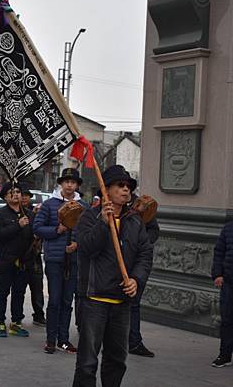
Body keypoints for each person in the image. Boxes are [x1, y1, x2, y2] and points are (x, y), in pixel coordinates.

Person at [72, 165, 153, 387]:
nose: (126, 190)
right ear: (105, 190)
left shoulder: (134, 221)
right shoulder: (89, 217)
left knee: (117, 360)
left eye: (128, 186)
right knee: (87, 362)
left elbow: (145, 254)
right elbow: (87, 249)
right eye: (120, 186)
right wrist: (103, 223)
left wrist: (136, 279)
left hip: (121, 303)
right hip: (94, 300)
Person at [33, 168, 88, 354]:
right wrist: (58, 230)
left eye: (73, 182)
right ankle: (50, 339)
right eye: (66, 182)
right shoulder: (49, 205)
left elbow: (89, 231)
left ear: (77, 185)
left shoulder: (84, 206)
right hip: (55, 259)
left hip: (74, 260)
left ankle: (63, 339)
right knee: (54, 300)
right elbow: (38, 228)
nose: (69, 185)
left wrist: (77, 244)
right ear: (61, 184)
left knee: (67, 301)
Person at [0, 182, 34, 338]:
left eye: (18, 192)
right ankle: (1, 322)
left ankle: (16, 322)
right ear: (4, 196)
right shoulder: (0, 214)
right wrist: (18, 224)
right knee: (3, 291)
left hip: (24, 260)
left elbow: (33, 234)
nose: (16, 194)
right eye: (11, 192)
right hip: (6, 259)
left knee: (19, 292)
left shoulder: (29, 213)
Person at [128, 194, 160, 358]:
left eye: (126, 185)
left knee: (134, 304)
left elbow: (154, 229)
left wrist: (141, 242)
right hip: (118, 263)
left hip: (139, 262)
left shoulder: (142, 205)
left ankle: (134, 341)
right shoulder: (112, 206)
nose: (124, 189)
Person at [21, 187, 46, 326]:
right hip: (20, 256)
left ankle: (39, 314)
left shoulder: (37, 212)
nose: (24, 198)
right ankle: (16, 316)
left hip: (35, 256)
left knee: (37, 287)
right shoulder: (15, 212)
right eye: (22, 195)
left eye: (26, 196)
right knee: (19, 289)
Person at [211, 220, 233, 367]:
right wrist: (217, 274)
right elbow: (219, 252)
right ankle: (224, 355)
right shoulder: (228, 228)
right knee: (227, 319)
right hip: (229, 282)